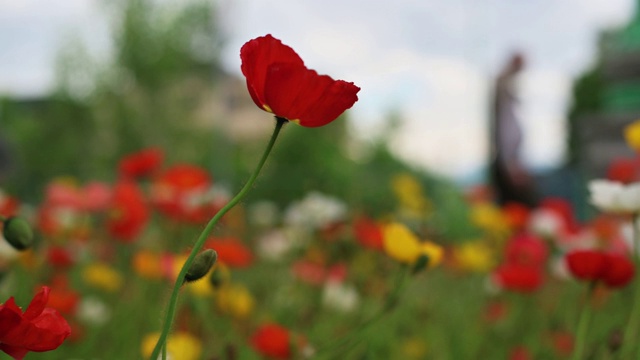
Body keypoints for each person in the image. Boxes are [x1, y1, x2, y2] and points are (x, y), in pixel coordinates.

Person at [489, 52, 538, 207]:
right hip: (509, 164)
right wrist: (512, 165)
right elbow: (505, 136)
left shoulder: (506, 98)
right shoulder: (504, 100)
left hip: (511, 162)